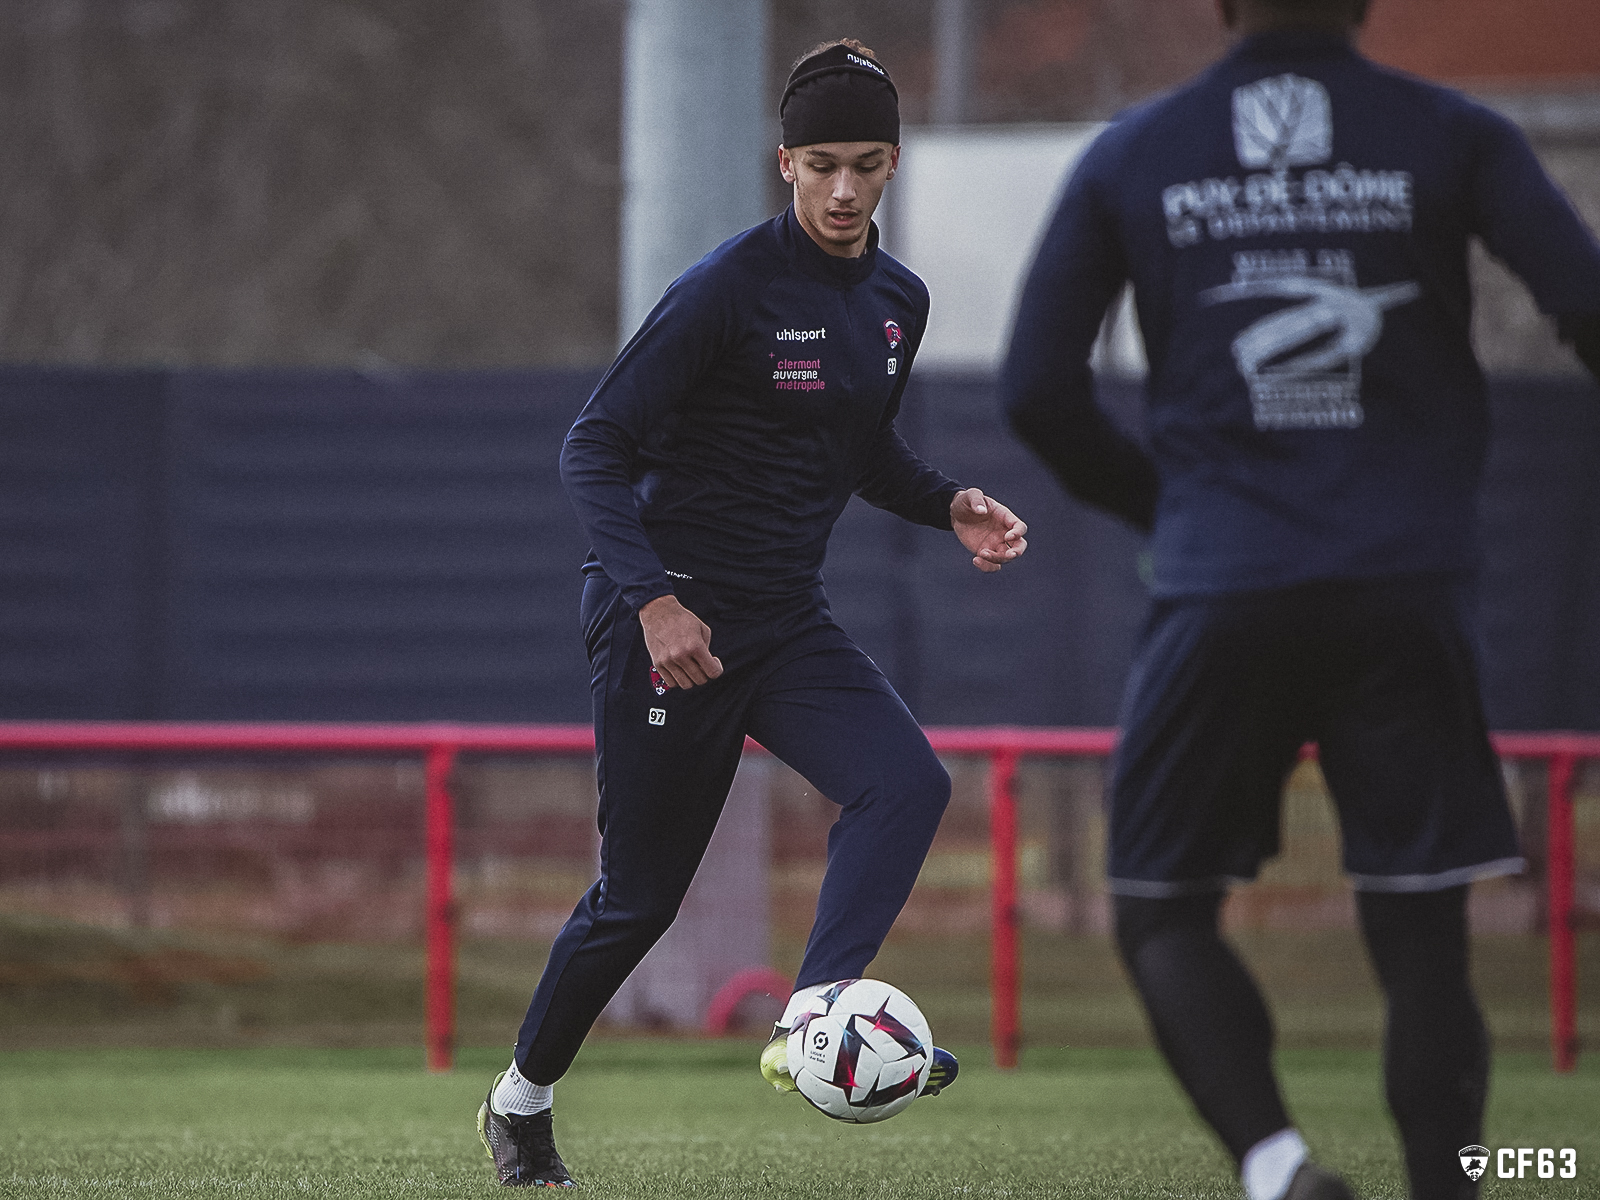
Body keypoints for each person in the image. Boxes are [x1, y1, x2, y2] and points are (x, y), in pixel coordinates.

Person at [1002, 1, 1600, 1199]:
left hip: (1223, 581)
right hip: (1405, 582)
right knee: (1422, 928)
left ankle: (1280, 1171)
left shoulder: (1136, 152)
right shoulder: (1453, 133)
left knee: (1161, 908)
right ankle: (1449, 1181)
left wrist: (1172, 512)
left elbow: (1034, 390)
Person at [477, 38, 1029, 1188]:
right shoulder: (726, 289)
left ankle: (811, 1016)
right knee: (638, 904)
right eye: (820, 163)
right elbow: (592, 447)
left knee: (906, 782)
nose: (842, 188)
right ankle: (518, 1105)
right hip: (665, 630)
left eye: (865, 164)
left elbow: (859, 445)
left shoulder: (896, 300)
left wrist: (948, 504)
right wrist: (656, 604)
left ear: (890, 167)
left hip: (783, 622)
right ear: (784, 164)